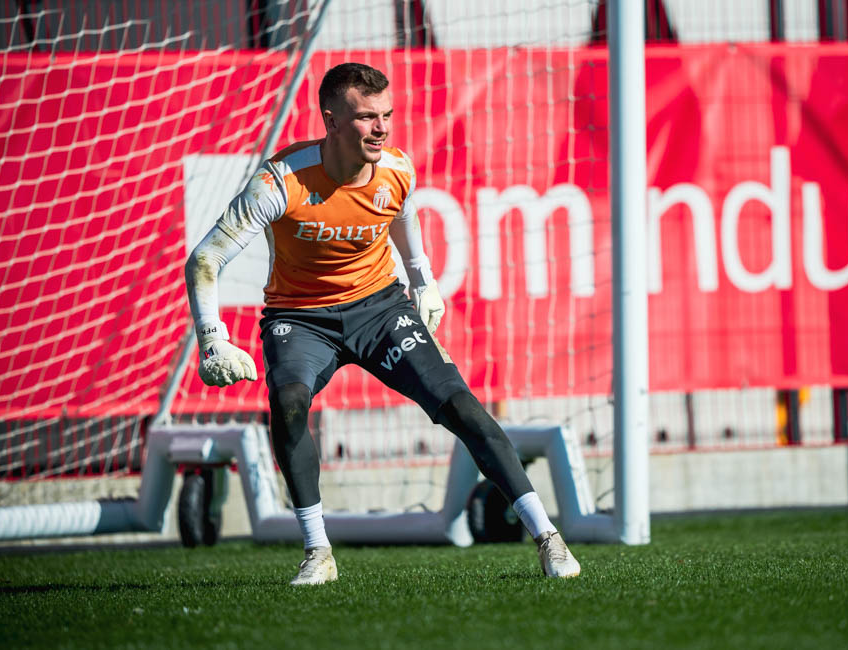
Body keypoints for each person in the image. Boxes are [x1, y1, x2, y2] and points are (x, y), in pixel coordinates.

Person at [184, 62, 580, 585]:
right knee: (287, 403)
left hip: (380, 309)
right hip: (300, 317)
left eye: (387, 115)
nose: (381, 128)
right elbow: (205, 259)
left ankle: (549, 540)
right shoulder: (280, 181)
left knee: (462, 406)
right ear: (331, 121)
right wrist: (212, 339)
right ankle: (318, 552)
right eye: (366, 117)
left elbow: (402, 215)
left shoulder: (396, 169)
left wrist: (424, 282)